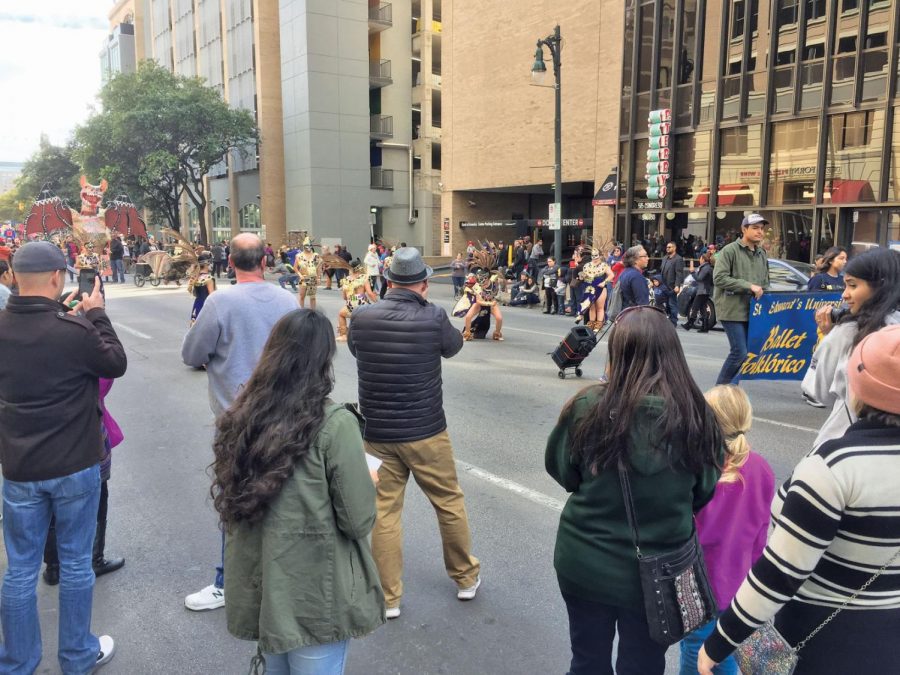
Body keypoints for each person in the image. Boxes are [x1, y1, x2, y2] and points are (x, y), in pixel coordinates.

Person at [698, 325, 900, 675]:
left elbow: (781, 573)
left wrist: (720, 642)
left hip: (822, 637)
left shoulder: (832, 468)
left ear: (856, 384)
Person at [545, 305, 722, 675]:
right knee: (643, 664)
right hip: (661, 570)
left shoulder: (587, 406)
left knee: (587, 660)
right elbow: (704, 492)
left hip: (585, 561)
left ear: (617, 354)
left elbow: (564, 472)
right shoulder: (698, 416)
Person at [212, 309, 384, 674]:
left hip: (266, 590)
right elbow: (357, 521)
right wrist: (368, 482)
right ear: (323, 360)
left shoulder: (240, 418)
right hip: (315, 594)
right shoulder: (335, 425)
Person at [0, 241, 125, 672]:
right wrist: (96, 315)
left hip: (19, 466)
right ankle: (76, 655)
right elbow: (115, 364)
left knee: (20, 569)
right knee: (75, 564)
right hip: (74, 465)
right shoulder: (73, 331)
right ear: (58, 277)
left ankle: (17, 662)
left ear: (15, 277)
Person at [347, 247, 481, 620]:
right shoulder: (433, 316)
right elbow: (453, 348)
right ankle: (465, 578)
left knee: (383, 512)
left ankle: (388, 598)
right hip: (426, 431)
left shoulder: (362, 317)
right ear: (423, 283)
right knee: (448, 501)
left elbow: (359, 353)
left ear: (388, 281)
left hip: (375, 434)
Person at [181, 233, 298, 611]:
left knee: (234, 502)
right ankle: (281, 580)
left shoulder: (219, 301)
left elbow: (192, 352)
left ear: (230, 263)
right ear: (265, 261)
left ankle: (226, 583)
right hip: (284, 418)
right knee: (282, 498)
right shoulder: (287, 299)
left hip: (236, 421)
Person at [678, 385, 775, 675]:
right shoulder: (761, 469)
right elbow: (760, 533)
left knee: (696, 650)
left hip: (699, 583)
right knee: (727, 648)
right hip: (742, 582)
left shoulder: (701, 468)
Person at [802, 247, 900, 447]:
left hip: (845, 439)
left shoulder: (847, 332)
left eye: (853, 286)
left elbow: (818, 392)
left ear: (879, 286)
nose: (845, 295)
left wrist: (829, 335)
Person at [712, 213, 770, 385]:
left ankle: (731, 391)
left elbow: (765, 282)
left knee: (747, 354)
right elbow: (719, 279)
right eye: (755, 228)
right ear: (744, 229)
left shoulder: (761, 253)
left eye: (762, 228)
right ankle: (719, 391)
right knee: (739, 352)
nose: (760, 232)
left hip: (752, 311)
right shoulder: (729, 251)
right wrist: (749, 286)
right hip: (732, 310)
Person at [336, 261, 377, 342]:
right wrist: (377, 302)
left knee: (341, 314)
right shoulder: (364, 278)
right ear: (360, 268)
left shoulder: (346, 279)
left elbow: (344, 297)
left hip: (350, 302)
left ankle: (343, 335)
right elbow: (369, 293)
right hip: (362, 303)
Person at [577, 249, 610, 329]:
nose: (594, 257)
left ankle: (598, 324)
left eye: (596, 255)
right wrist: (582, 277)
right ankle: (591, 323)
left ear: (600, 256)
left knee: (600, 307)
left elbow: (611, 275)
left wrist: (604, 282)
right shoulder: (587, 265)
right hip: (590, 287)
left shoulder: (604, 265)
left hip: (600, 287)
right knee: (591, 307)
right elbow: (584, 276)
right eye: (593, 255)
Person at [683, 252, 714, 332]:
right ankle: (705, 326)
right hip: (704, 290)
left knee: (695, 307)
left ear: (703, 259)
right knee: (702, 308)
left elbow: (699, 278)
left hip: (702, 291)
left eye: (700, 259)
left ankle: (689, 324)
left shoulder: (705, 268)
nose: (699, 260)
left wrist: (692, 272)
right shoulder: (707, 267)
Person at [659, 241, 685, 326]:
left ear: (674, 248)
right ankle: (667, 320)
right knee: (664, 304)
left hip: (672, 286)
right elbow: (662, 271)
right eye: (667, 247)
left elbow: (679, 273)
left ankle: (673, 322)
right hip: (663, 286)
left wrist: (677, 285)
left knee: (672, 304)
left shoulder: (678, 259)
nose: (667, 248)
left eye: (669, 247)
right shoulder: (665, 258)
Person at [188, 252, 217, 326]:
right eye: (210, 263)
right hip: (206, 306)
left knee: (195, 327)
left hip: (197, 304)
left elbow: (192, 292)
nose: (211, 265)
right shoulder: (209, 278)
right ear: (207, 264)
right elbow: (212, 296)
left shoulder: (195, 277)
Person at [294, 238, 322, 310]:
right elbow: (295, 268)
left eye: (310, 245)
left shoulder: (316, 255)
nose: (308, 247)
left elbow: (318, 268)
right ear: (303, 246)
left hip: (313, 278)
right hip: (303, 278)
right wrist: (300, 275)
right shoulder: (299, 256)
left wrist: (318, 278)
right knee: (302, 296)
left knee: (312, 297)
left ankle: (313, 312)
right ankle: (301, 312)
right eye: (306, 245)